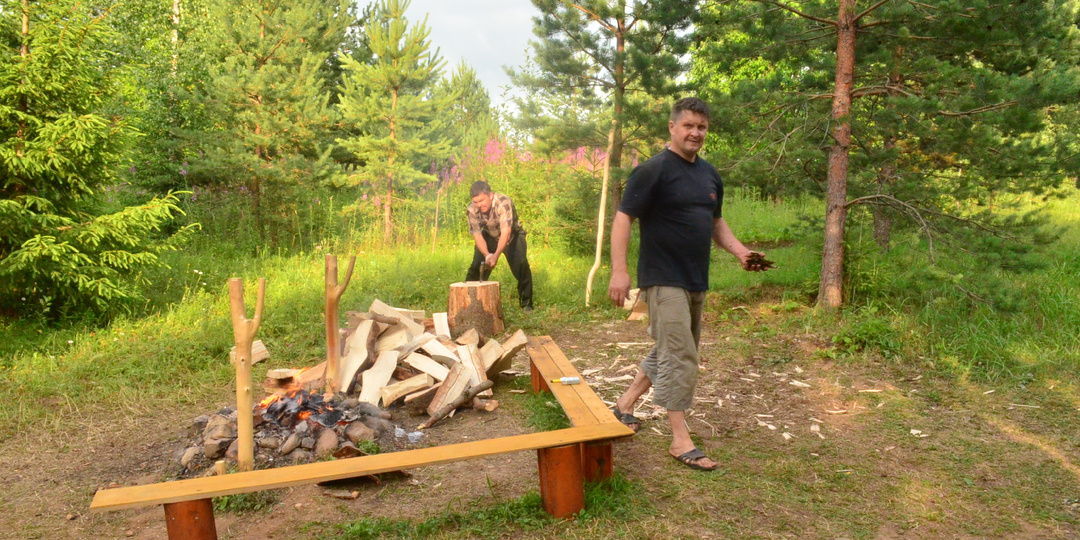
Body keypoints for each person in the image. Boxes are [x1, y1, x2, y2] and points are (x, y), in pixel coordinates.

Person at [608, 97, 768, 471]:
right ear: (672, 127)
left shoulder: (709, 175)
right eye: (689, 126)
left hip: (696, 278)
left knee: (674, 348)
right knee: (680, 355)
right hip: (663, 278)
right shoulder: (652, 171)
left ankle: (624, 405)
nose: (695, 133)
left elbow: (715, 223)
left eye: (702, 127)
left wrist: (742, 252)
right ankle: (680, 440)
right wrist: (619, 270)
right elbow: (623, 219)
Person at [465, 181, 534, 312]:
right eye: (476, 202)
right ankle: (468, 302)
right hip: (489, 235)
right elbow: (478, 235)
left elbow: (506, 233)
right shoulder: (471, 209)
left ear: (490, 195)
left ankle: (527, 304)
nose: (479, 205)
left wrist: (495, 256)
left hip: (512, 235)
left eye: (482, 200)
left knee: (521, 265)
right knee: (476, 265)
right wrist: (487, 255)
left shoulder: (503, 202)